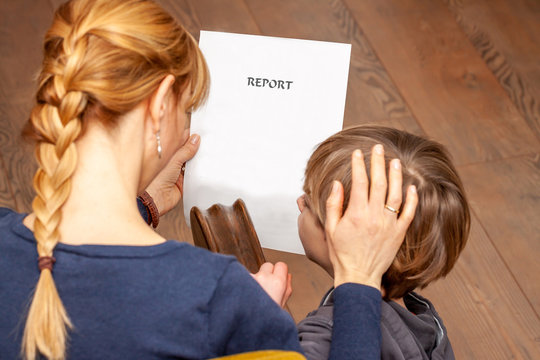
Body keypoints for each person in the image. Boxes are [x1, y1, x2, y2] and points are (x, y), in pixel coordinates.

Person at [0, 1, 418, 359]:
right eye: (189, 110)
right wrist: (358, 282)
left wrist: (142, 206)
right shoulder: (216, 296)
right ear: (161, 103)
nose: (188, 129)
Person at [296, 125, 470, 360]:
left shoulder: (321, 340)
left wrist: (257, 318)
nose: (299, 202)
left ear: (346, 241)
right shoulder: (425, 325)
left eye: (308, 204)